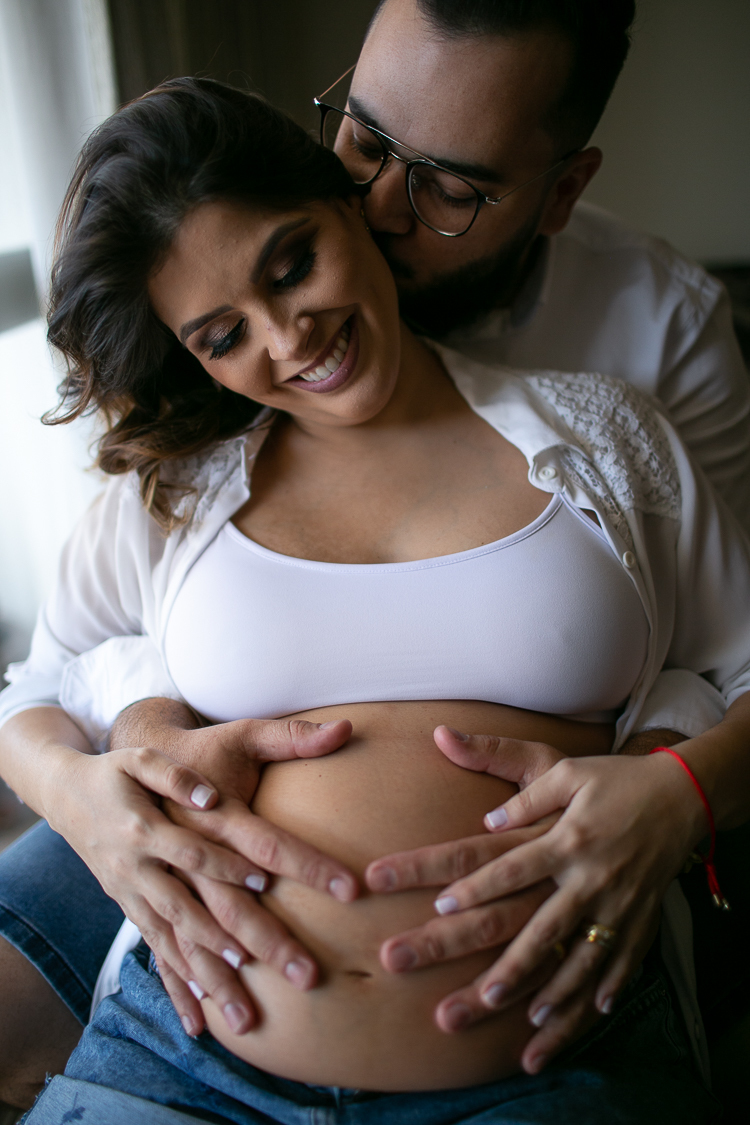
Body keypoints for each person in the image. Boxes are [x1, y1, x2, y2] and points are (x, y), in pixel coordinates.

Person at [0, 0, 747, 1109]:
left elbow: (712, 660)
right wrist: (98, 786)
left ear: (559, 190)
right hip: (192, 1034)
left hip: (536, 1045)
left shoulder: (629, 387)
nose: (388, 205)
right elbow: (52, 679)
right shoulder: (190, 474)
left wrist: (676, 787)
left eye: (451, 187)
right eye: (364, 144)